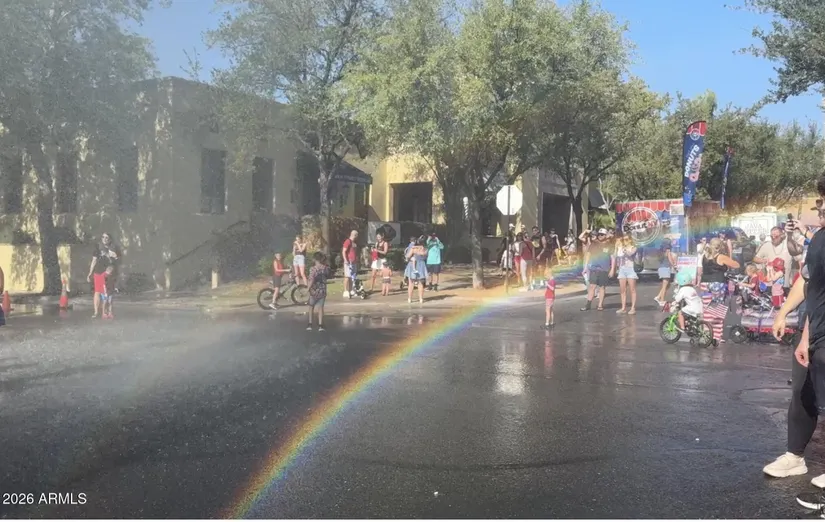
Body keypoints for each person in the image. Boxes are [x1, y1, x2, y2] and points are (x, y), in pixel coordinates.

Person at [765, 202, 825, 492]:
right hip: (814, 328)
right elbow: (809, 282)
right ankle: (794, 456)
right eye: (820, 206)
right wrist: (784, 313)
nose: (821, 210)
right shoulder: (819, 239)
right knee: (802, 391)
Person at [700, 238, 741, 342]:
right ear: (720, 246)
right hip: (717, 285)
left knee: (707, 310)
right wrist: (729, 251)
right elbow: (736, 265)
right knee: (717, 311)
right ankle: (717, 336)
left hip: (705, 284)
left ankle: (707, 333)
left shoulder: (705, 255)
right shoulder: (721, 257)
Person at [754, 226, 802, 292]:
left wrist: (799, 276)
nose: (773, 238)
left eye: (776, 236)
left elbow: (799, 260)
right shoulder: (767, 245)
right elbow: (755, 259)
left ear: (782, 235)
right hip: (770, 284)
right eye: (771, 236)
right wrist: (764, 261)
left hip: (785, 285)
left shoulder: (788, 245)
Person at [87, 233, 122, 319]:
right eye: (103, 237)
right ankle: (96, 312)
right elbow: (94, 261)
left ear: (110, 239)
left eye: (107, 237)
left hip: (110, 273)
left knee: (108, 293)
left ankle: (107, 311)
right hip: (98, 273)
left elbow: (119, 261)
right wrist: (90, 273)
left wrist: (115, 256)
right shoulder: (98, 247)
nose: (104, 239)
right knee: (98, 292)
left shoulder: (114, 248)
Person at [581, 228, 611, 312]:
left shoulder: (609, 245)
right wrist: (585, 267)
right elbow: (588, 255)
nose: (600, 236)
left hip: (604, 269)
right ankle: (588, 305)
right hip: (594, 268)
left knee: (602, 287)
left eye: (602, 234)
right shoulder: (593, 244)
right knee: (592, 286)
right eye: (599, 234)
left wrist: (612, 269)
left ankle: (600, 305)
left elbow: (613, 257)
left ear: (605, 235)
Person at [611, 235, 638, 314]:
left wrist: (624, 249)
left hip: (630, 269)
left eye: (626, 240)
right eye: (623, 240)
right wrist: (616, 248)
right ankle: (623, 308)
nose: (624, 241)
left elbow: (630, 254)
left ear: (630, 240)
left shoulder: (633, 248)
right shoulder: (621, 248)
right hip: (622, 270)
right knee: (622, 290)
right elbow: (614, 256)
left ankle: (633, 308)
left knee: (632, 290)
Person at [306, 252, 330, 331]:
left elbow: (311, 279)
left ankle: (310, 324)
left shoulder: (313, 269)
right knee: (320, 308)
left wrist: (308, 288)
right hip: (322, 290)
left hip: (314, 290)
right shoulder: (325, 268)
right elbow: (327, 276)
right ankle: (320, 325)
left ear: (315, 259)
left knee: (311, 306)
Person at [405, 237, 428, 304]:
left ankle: (409, 299)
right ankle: (421, 299)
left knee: (411, 283)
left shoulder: (414, 249)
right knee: (420, 283)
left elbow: (407, 256)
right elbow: (425, 256)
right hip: (421, 265)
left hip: (413, 265)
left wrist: (410, 257)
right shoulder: (425, 249)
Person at [654, 239, 677, 306]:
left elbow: (659, 259)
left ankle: (658, 296)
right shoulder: (668, 251)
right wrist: (674, 266)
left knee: (668, 284)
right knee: (664, 286)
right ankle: (662, 300)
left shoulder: (660, 251)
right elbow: (670, 259)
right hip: (666, 268)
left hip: (661, 268)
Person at [341, 230, 359, 299]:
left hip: (354, 262)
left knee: (352, 277)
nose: (357, 237)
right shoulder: (348, 241)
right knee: (347, 276)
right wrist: (345, 260)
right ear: (354, 235)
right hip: (348, 262)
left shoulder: (354, 243)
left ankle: (351, 290)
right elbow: (344, 251)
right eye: (357, 235)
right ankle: (345, 291)